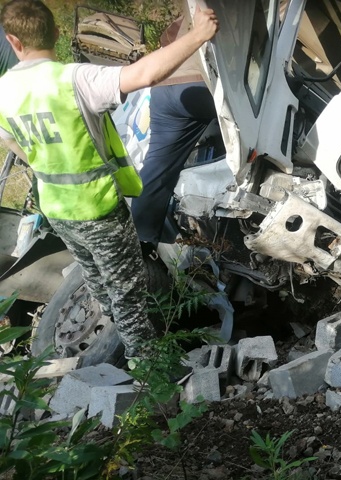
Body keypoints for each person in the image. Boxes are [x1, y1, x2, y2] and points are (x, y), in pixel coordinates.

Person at [0, 0, 219, 358]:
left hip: (57, 208)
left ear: (13, 41)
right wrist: (198, 35)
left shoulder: (3, 91)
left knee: (100, 282)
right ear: (56, 31)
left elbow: (11, 141)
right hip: (96, 208)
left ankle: (129, 350)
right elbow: (144, 75)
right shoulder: (73, 79)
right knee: (129, 295)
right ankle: (149, 381)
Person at [130, 14, 221, 246]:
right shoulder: (232, 10)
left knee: (157, 169)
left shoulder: (190, 14)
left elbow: (166, 39)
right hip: (201, 83)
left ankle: (143, 244)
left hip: (165, 89)